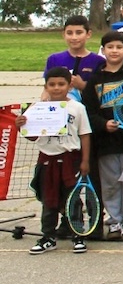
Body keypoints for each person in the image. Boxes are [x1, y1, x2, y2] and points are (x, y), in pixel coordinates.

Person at [82, 30, 123, 240]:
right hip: (106, 143)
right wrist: (103, 124)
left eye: (119, 47)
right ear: (103, 50)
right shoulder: (95, 78)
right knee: (110, 183)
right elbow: (89, 111)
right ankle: (114, 220)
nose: (114, 51)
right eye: (110, 47)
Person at [18, 67, 92, 255]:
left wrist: (85, 161)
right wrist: (21, 126)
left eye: (61, 84)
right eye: (52, 84)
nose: (56, 88)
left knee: (72, 199)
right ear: (46, 86)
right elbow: (33, 136)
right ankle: (48, 236)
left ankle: (77, 234)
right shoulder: (36, 108)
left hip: (70, 159)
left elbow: (84, 135)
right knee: (49, 199)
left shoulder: (77, 108)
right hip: (46, 160)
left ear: (69, 86)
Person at [44, 15, 105, 103]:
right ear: (64, 34)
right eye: (69, 33)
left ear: (88, 34)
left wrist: (82, 85)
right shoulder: (54, 59)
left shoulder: (99, 61)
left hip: (89, 110)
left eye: (79, 33)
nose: (74, 37)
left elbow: (102, 92)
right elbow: (47, 88)